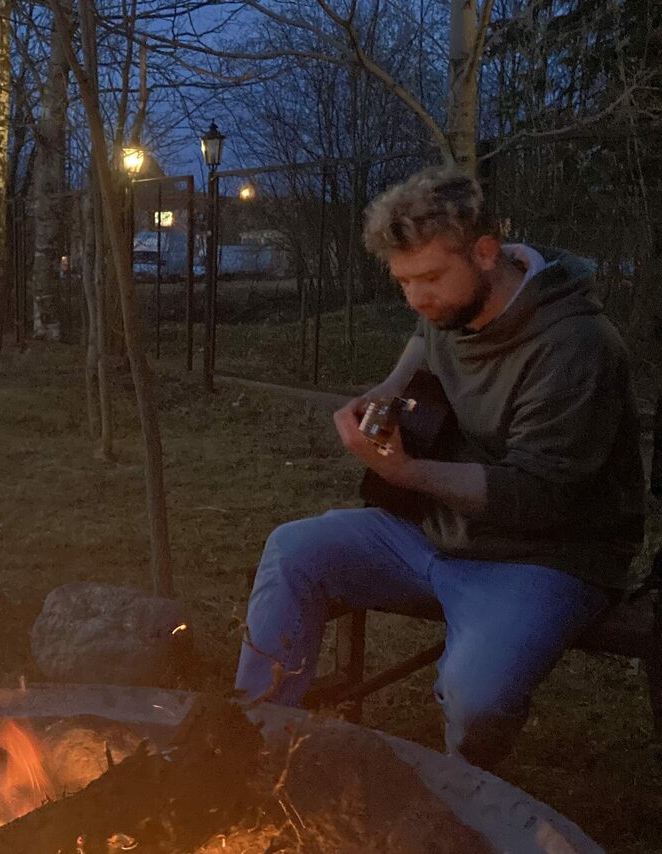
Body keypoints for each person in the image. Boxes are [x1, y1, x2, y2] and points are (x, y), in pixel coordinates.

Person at [233, 165, 646, 768]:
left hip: (545, 556)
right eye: (402, 281)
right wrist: (381, 395)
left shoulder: (576, 346)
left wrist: (406, 475)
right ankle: (250, 747)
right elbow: (421, 350)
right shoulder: (447, 308)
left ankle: (463, 805)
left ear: (485, 253)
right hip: (437, 532)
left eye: (428, 278)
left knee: (476, 698)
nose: (416, 298)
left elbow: (538, 496)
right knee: (294, 550)